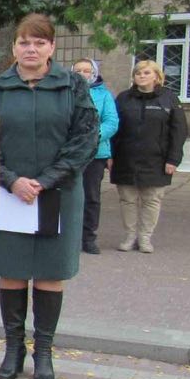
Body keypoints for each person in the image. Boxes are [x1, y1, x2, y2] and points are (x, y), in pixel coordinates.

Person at [0, 16, 98, 379]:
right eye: (23, 43)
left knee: (50, 274)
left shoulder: (72, 86)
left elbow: (85, 138)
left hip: (58, 194)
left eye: (39, 43)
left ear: (51, 47)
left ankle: (44, 353)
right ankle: (13, 349)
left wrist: (46, 181)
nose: (30, 49)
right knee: (12, 270)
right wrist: (12, 179)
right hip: (10, 194)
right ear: (13, 47)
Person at [110, 59, 187, 253]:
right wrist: (109, 155)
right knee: (127, 199)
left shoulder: (169, 99)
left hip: (157, 159)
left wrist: (173, 159)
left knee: (151, 199)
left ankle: (144, 238)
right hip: (125, 158)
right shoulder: (123, 98)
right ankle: (130, 236)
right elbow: (113, 128)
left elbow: (179, 131)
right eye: (138, 73)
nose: (141, 76)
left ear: (157, 76)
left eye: (146, 73)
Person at [73, 59, 119, 254]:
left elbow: (111, 121)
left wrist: (93, 136)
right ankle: (68, 236)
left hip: (95, 153)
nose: (83, 74)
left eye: (87, 70)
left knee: (91, 196)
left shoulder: (104, 94)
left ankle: (88, 237)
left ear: (94, 73)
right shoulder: (65, 91)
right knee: (67, 196)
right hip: (70, 152)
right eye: (79, 71)